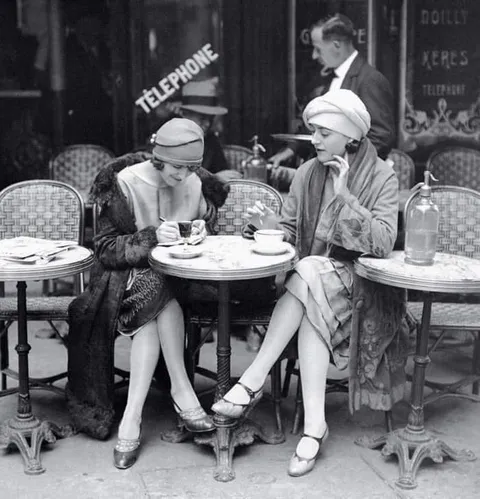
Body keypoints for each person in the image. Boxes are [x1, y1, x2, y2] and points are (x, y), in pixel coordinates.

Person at [212, 90, 405, 477]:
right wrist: (270, 226)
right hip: (313, 284)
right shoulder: (307, 172)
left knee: (309, 273)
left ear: (350, 136)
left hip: (362, 284)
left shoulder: (382, 175)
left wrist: (347, 194)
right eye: (312, 131)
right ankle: (315, 425)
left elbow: (383, 242)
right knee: (311, 281)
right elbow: (290, 228)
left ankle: (253, 379)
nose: (313, 140)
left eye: (322, 132)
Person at [66, 118, 229, 470]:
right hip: (121, 279)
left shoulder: (195, 182)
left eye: (192, 168)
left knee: (160, 293)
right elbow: (106, 250)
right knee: (157, 292)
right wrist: (151, 238)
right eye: (177, 167)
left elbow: (205, 231)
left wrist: (201, 229)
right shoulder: (124, 182)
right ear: (158, 158)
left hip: (180, 279)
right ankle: (181, 392)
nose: (184, 176)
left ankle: (133, 419)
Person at [269, 13, 395, 186]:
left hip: (356, 182)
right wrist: (291, 150)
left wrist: (342, 165)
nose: (314, 55)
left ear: (336, 45)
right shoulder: (329, 79)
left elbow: (381, 137)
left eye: (318, 49)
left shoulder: (370, 80)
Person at [172, 78, 242, 183]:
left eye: (211, 118)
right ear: (184, 114)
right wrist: (212, 179)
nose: (208, 124)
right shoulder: (167, 140)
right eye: (202, 118)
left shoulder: (211, 140)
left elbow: (222, 171)